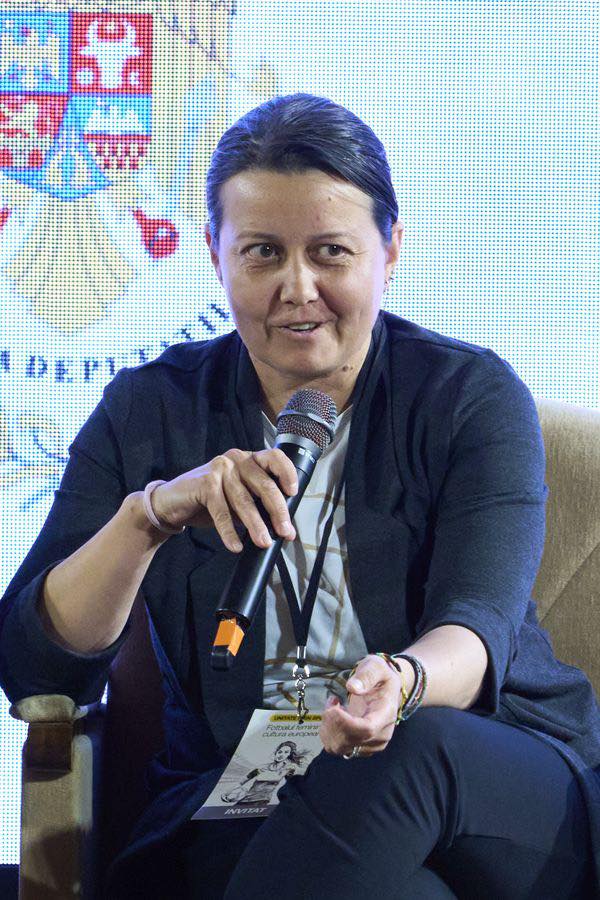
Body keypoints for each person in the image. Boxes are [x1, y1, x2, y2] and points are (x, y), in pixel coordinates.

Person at [0, 92, 599, 899]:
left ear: (390, 249)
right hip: (253, 798)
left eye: (330, 253)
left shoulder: (468, 396)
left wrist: (401, 685)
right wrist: (148, 518)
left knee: (408, 749)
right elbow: (36, 671)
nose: (298, 287)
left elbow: (477, 624)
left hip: (485, 775)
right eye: (262, 253)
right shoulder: (151, 412)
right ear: (215, 254)